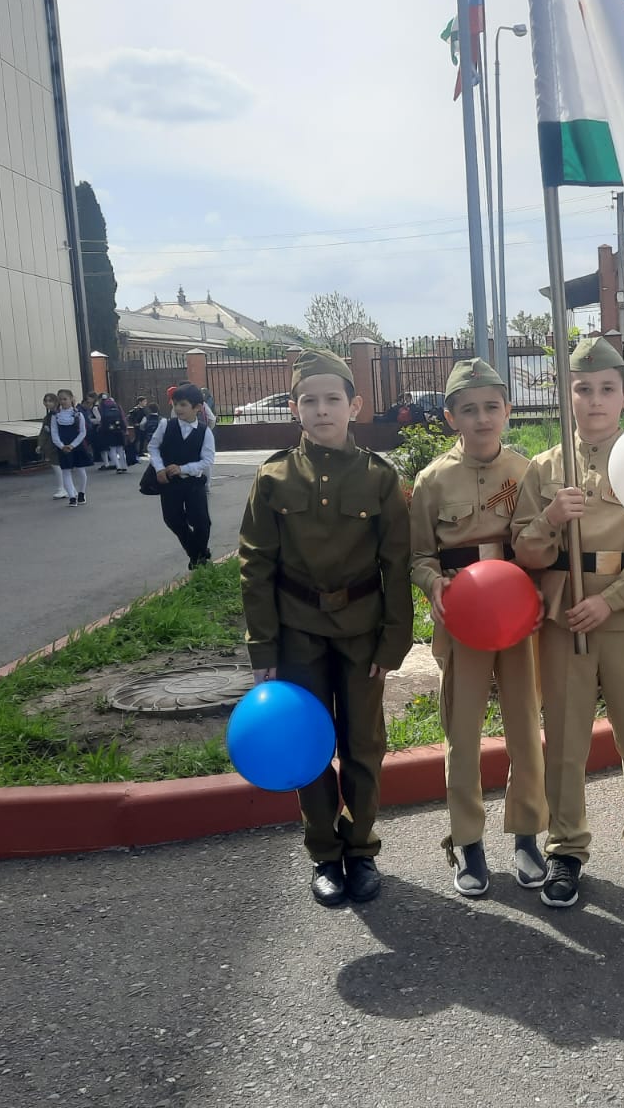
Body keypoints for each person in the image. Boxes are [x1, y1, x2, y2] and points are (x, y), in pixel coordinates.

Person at [238, 349, 414, 907]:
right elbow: (255, 564)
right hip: (297, 633)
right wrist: (263, 644)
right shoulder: (273, 479)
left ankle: (360, 851)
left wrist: (395, 638)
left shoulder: (381, 479)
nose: (321, 410)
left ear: (354, 406)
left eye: (332, 399)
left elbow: (398, 564)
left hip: (362, 632)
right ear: (294, 408)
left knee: (364, 744)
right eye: (309, 400)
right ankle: (324, 854)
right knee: (308, 747)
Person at [511, 336, 624, 909]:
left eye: (607, 389)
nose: (595, 400)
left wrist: (616, 600)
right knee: (565, 737)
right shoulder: (546, 466)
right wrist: (552, 518)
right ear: (567, 395)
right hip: (564, 611)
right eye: (583, 389)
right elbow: (524, 551)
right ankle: (566, 847)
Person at [410, 358, 548, 897]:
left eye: (492, 407)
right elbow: (417, 555)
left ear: (508, 411)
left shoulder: (526, 471)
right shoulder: (432, 480)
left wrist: (536, 593)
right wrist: (432, 583)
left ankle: (527, 835)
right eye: (469, 410)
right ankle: (467, 842)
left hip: (516, 618)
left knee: (525, 730)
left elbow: (538, 548)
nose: (482, 418)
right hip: (462, 619)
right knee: (461, 733)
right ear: (451, 418)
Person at [149, 384, 218, 569]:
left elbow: (208, 459)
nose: (178, 409)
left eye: (183, 405)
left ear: (197, 407)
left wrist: (184, 468)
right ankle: (197, 553)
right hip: (170, 483)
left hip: (194, 482)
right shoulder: (166, 426)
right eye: (175, 404)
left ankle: (199, 556)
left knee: (202, 522)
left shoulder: (204, 432)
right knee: (172, 518)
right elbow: (153, 447)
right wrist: (159, 468)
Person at [50, 388, 91, 505]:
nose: (62, 401)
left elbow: (83, 432)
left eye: (65, 399)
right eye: (60, 399)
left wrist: (72, 445)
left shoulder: (78, 414)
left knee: (80, 470)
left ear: (71, 399)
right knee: (66, 471)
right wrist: (61, 445)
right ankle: (72, 497)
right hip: (62, 446)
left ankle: (82, 493)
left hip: (76, 445)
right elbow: (54, 432)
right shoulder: (56, 416)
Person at [36, 392, 67, 500]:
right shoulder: (49, 416)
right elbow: (43, 432)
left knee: (57, 465)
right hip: (53, 444)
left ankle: (62, 488)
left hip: (59, 444)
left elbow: (45, 432)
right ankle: (64, 488)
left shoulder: (57, 414)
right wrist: (40, 445)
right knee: (59, 466)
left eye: (50, 401)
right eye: (46, 401)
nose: (47, 403)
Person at [96, 394, 129, 472]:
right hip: (119, 429)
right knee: (120, 449)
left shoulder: (102, 407)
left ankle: (118, 467)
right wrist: (125, 428)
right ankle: (124, 466)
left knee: (112, 449)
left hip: (109, 431)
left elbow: (102, 419)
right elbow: (122, 417)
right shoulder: (116, 405)